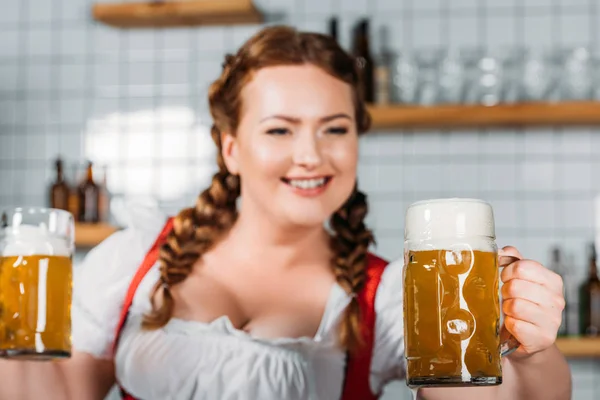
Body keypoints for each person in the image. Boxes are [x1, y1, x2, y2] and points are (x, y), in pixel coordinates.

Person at [0, 26, 571, 400]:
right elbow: (50, 390)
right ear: (230, 147)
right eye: (279, 129)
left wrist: (530, 348)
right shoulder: (134, 259)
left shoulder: (395, 295)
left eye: (335, 130)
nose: (311, 156)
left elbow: (506, 396)